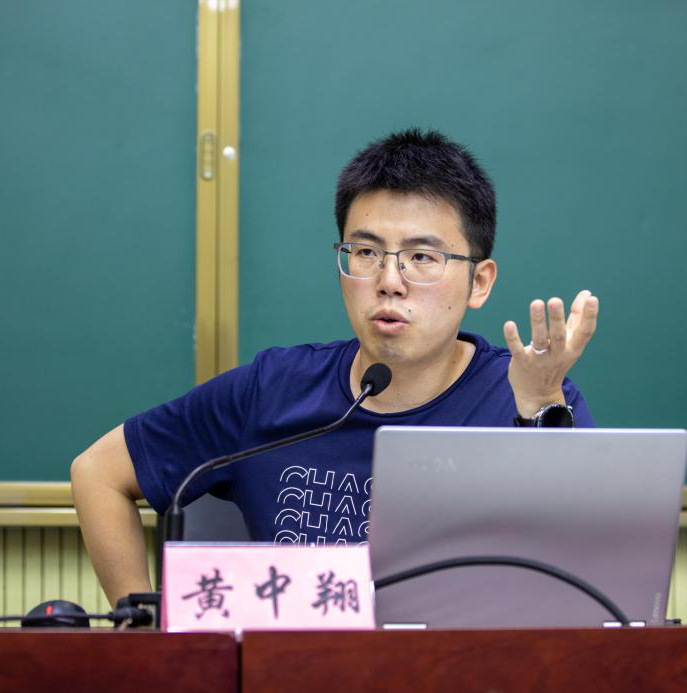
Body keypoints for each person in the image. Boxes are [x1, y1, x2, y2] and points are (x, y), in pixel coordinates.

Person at [71, 129, 600, 604]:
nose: (389, 282)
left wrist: (540, 406)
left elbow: (587, 570)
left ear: (478, 282)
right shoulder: (271, 391)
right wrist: (139, 628)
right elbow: (98, 473)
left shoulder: (529, 396)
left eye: (422, 257)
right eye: (365, 252)